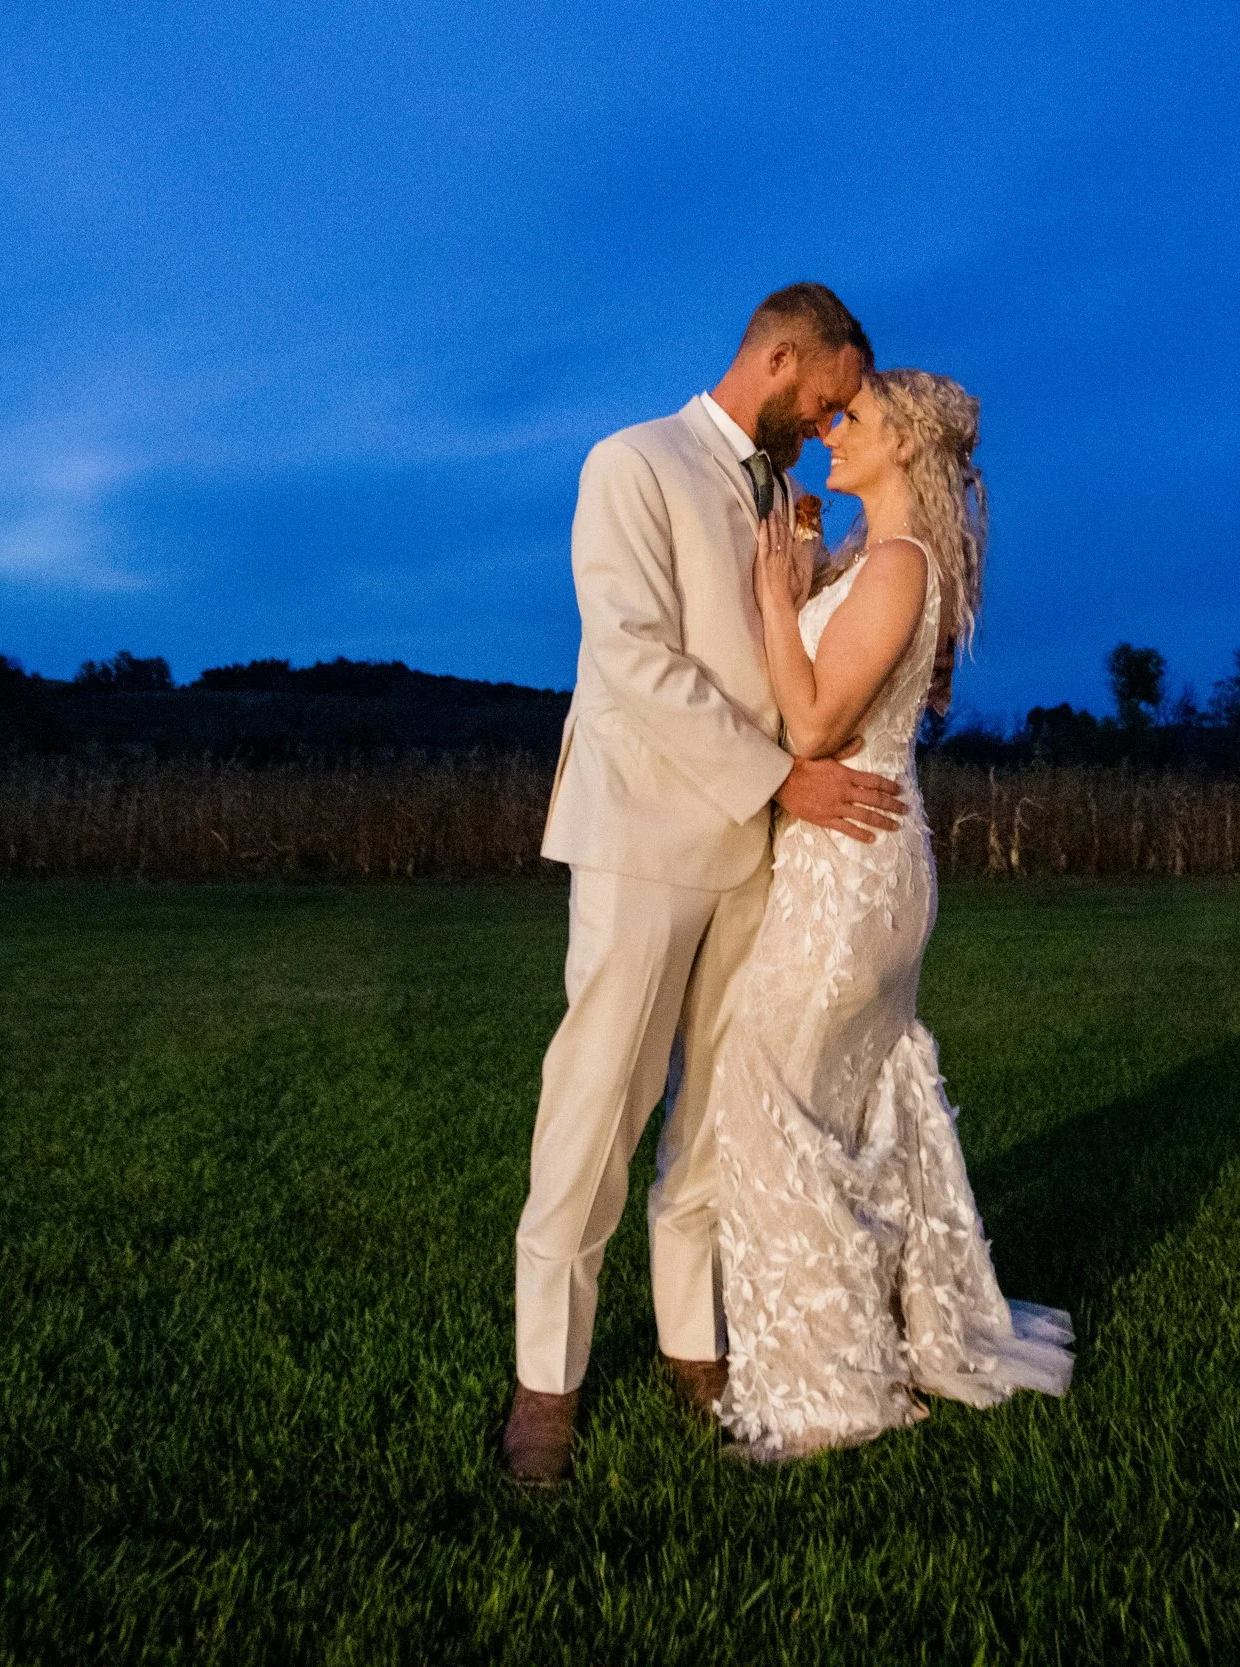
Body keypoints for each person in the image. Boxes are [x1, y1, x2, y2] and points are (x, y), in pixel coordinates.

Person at [504, 283, 905, 1486]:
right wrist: (781, 778)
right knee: (595, 1112)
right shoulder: (630, 462)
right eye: (825, 399)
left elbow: (800, 652)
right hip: (640, 839)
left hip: (756, 858)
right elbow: (629, 659)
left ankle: (694, 1347)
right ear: (781, 359)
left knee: (716, 1119)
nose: (826, 425)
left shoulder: (784, 495)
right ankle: (545, 1389)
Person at [711, 368, 1074, 1460]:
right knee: (842, 1100)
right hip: (852, 859)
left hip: (852, 867)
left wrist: (778, 595)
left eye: (852, 421)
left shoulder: (902, 564)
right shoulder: (875, 560)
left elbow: (815, 721)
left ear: (904, 448)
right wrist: (807, 565)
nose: (832, 430)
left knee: (765, 1090)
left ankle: (831, 1383)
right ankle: (893, 1329)